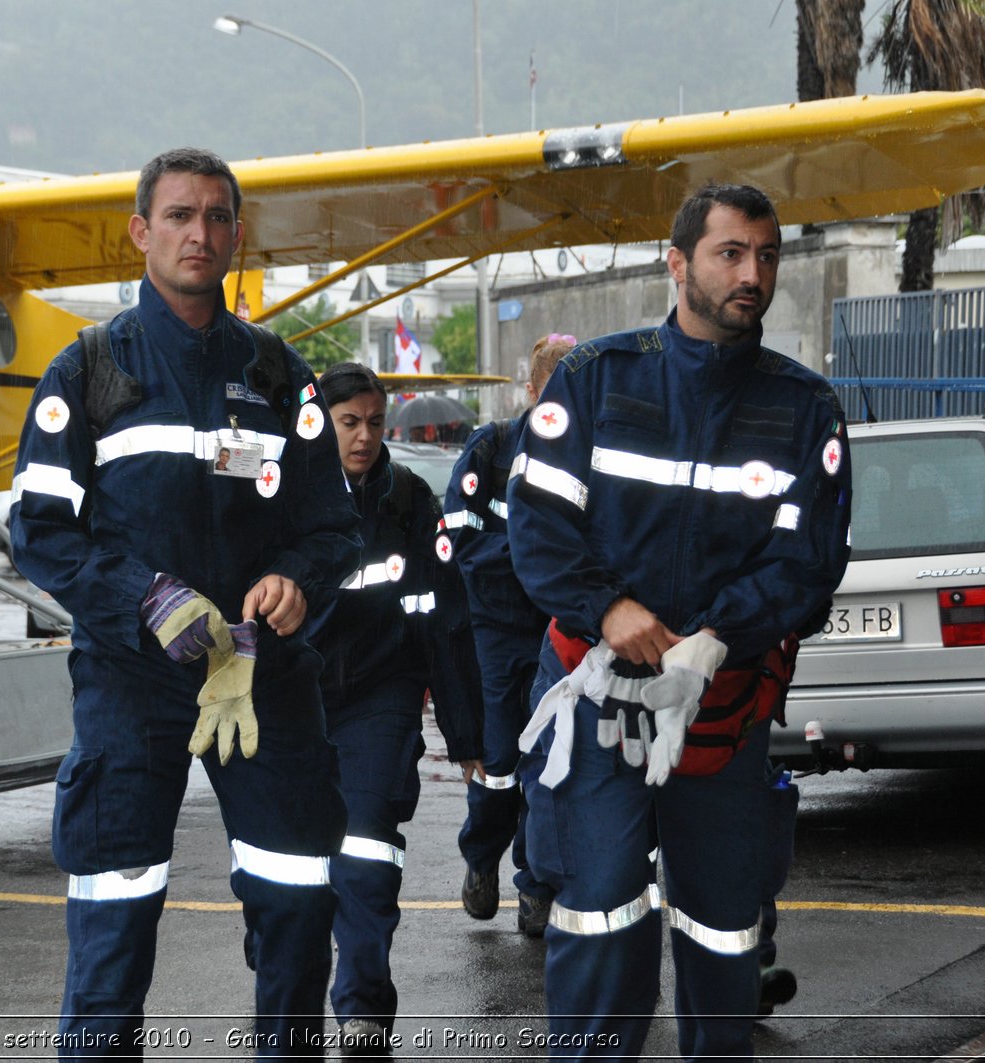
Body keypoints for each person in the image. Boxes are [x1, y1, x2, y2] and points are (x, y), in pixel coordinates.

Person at [8, 147, 360, 1058]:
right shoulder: (86, 374)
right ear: (141, 232)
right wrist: (144, 597)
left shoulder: (284, 379)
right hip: (133, 682)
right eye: (177, 216)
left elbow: (332, 526)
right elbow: (42, 531)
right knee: (116, 897)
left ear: (238, 236)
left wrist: (296, 583)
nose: (198, 233)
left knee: (295, 895)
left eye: (215, 217)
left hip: (265, 675)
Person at [507, 183, 851, 1060]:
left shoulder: (803, 409)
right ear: (677, 263)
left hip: (721, 712)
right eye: (730, 253)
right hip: (596, 705)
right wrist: (609, 608)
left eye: (767, 256)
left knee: (725, 932)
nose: (753, 274)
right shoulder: (594, 381)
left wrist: (716, 638)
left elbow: (808, 561)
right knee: (599, 914)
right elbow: (538, 529)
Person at [302, 363, 482, 1055]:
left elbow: (444, 617)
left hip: (382, 692)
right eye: (351, 421)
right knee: (285, 859)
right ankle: (283, 971)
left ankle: (364, 1003)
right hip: (298, 696)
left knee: (368, 844)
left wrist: (467, 735)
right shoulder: (285, 495)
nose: (365, 435)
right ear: (321, 422)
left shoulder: (409, 501)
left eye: (376, 422)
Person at [444, 333, 573, 936]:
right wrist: (536, 561)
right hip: (497, 631)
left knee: (550, 763)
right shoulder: (491, 449)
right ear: (531, 390)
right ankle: (480, 860)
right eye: (553, 393)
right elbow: (461, 540)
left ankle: (535, 886)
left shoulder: (587, 453)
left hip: (563, 630)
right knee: (499, 764)